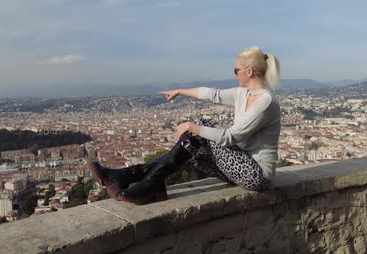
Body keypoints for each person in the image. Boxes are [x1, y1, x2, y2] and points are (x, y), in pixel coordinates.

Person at [86, 46, 281, 205]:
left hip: (257, 175)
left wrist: (191, 126)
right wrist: (180, 91)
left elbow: (230, 137)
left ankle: (134, 177)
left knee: (199, 127)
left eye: (236, 70)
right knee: (190, 149)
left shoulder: (265, 102)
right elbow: (212, 94)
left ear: (248, 71)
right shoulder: (243, 93)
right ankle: (144, 180)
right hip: (240, 167)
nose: (235, 74)